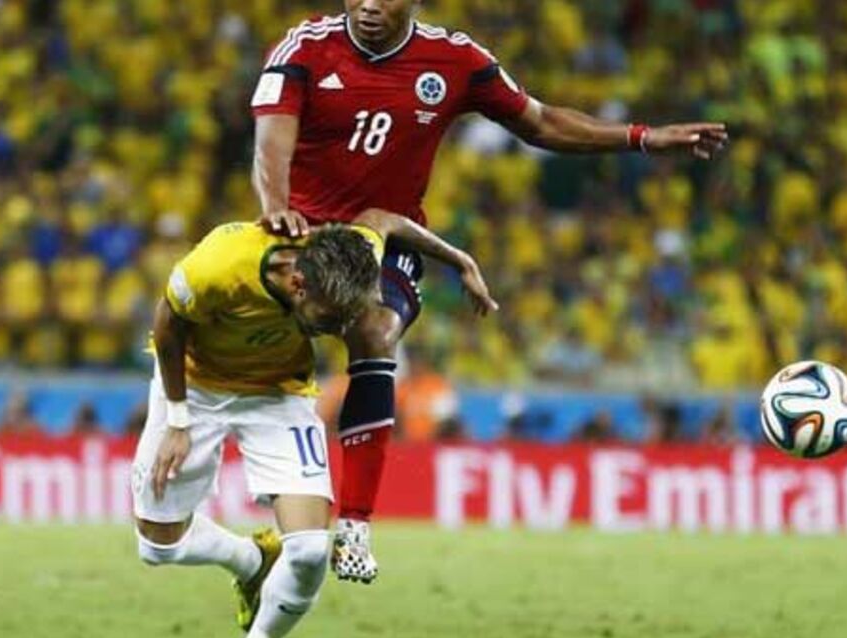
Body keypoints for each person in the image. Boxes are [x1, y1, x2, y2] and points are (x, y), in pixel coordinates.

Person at [251, 0, 729, 583]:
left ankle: (354, 525)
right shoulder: (304, 48)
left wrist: (642, 138)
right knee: (254, 350)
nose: (368, 4)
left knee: (375, 329)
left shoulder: (454, 60)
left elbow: (541, 123)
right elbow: (271, 146)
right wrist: (277, 213)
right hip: (304, 235)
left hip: (392, 238)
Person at [132, 210, 494, 638]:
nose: (335, 331)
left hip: (279, 394)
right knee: (158, 548)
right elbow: (168, 323)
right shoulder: (219, 263)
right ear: (299, 285)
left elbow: (385, 220)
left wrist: (459, 259)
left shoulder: (353, 253)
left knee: (308, 551)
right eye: (329, 319)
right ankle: (253, 560)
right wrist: (178, 421)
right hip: (197, 388)